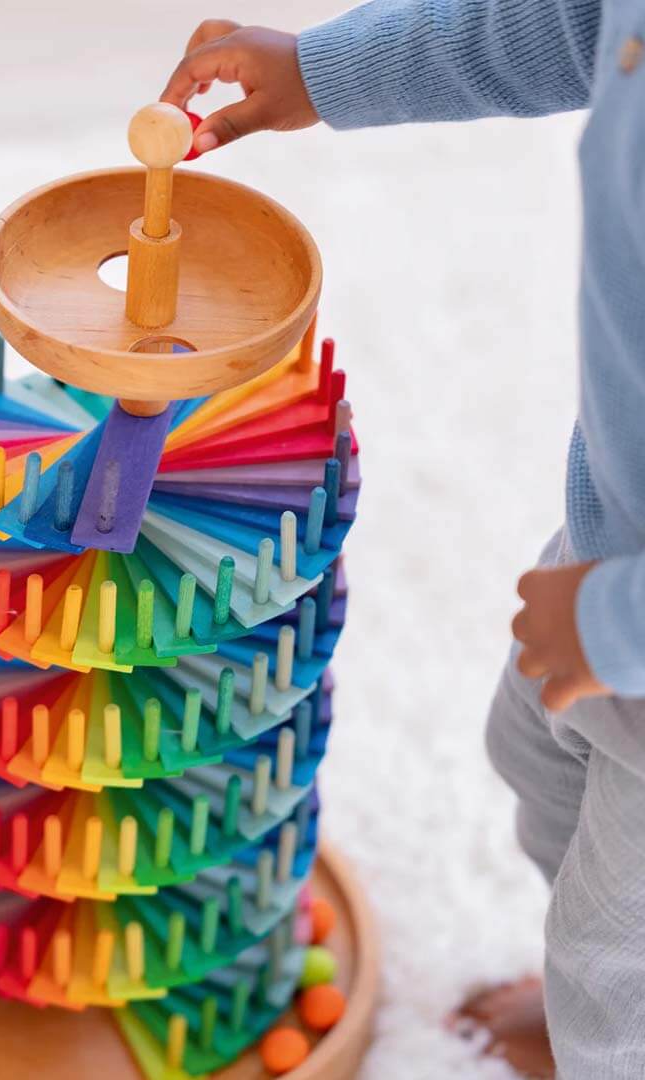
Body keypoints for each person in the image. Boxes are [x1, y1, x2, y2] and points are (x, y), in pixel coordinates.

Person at [161, 11, 645, 1077]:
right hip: (614, 536)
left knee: (613, 967)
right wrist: (326, 71)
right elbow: (572, 22)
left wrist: (614, 625)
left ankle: (608, 1037)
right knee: (539, 767)